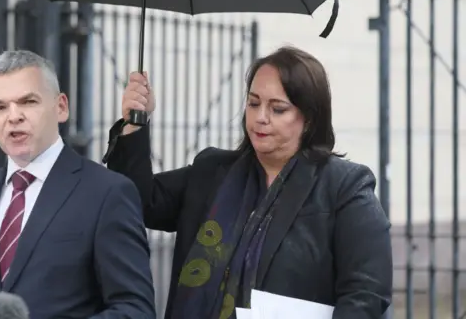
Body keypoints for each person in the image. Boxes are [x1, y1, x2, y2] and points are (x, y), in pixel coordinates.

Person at [103, 45, 393, 319]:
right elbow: (135, 203)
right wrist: (135, 124)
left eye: (277, 109)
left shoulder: (344, 187)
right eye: (254, 103)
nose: (260, 118)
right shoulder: (212, 171)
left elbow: (365, 293)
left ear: (309, 118)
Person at [0, 50, 156, 319]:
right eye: (0, 107)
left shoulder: (107, 193)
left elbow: (135, 310)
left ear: (61, 107)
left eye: (28, 102)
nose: (14, 116)